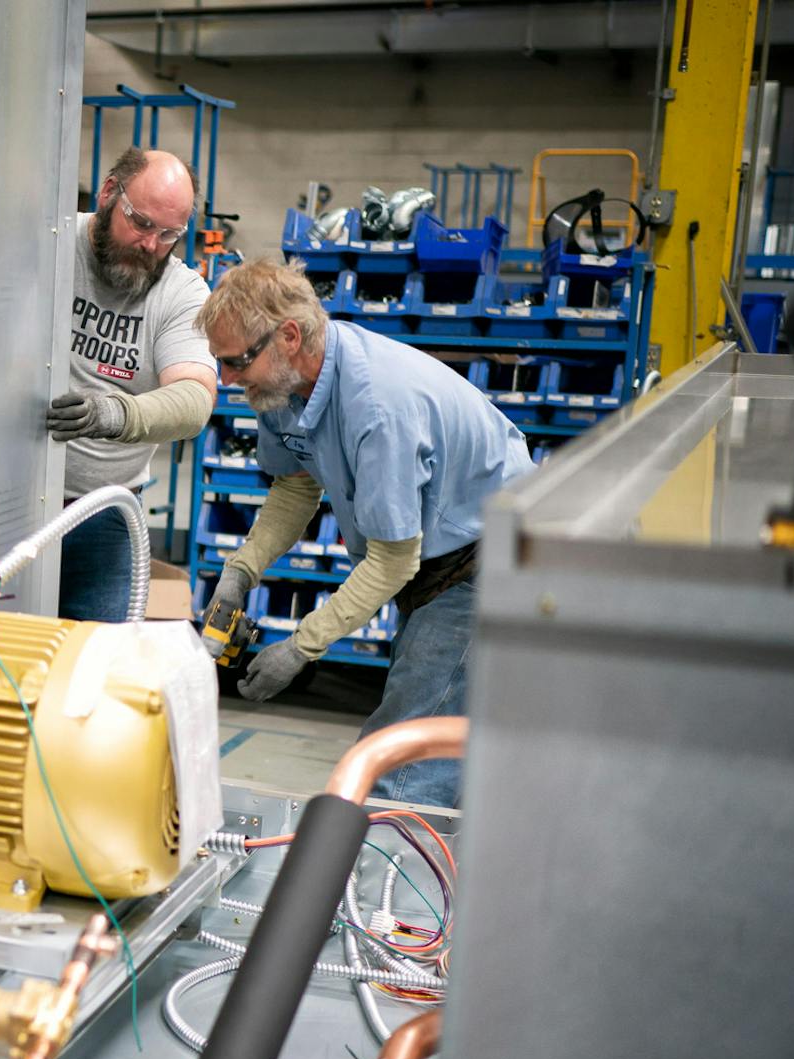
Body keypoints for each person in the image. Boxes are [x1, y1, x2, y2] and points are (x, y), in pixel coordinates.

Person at [195, 259, 532, 807]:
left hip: (487, 562)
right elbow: (295, 488)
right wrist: (240, 572)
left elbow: (392, 561)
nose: (226, 380)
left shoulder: (378, 407)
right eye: (220, 362)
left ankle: (381, 886)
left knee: (399, 763)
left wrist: (301, 648)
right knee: (439, 742)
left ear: (289, 335)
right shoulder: (282, 387)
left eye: (236, 362)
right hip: (434, 563)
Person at [46, 148, 218, 622]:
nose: (150, 245)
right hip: (11, 500)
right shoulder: (51, 242)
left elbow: (194, 400)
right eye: (141, 223)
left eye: (169, 234)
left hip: (105, 514)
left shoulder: (182, 292)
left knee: (101, 668)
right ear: (108, 193)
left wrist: (114, 413)